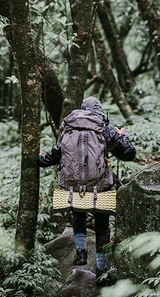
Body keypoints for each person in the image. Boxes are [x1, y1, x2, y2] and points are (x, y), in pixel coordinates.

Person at [38, 97, 135, 285]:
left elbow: (54, 155)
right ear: (99, 111)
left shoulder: (69, 127)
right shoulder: (103, 129)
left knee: (78, 212)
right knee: (102, 226)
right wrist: (121, 136)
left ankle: (81, 252)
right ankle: (101, 270)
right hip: (100, 187)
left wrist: (40, 158)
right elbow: (129, 154)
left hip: (74, 188)